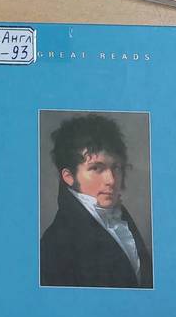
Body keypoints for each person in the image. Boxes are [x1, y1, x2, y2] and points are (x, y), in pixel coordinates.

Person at [40, 115, 152, 289]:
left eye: (116, 167)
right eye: (96, 168)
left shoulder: (119, 216)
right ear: (69, 176)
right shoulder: (54, 245)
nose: (111, 180)